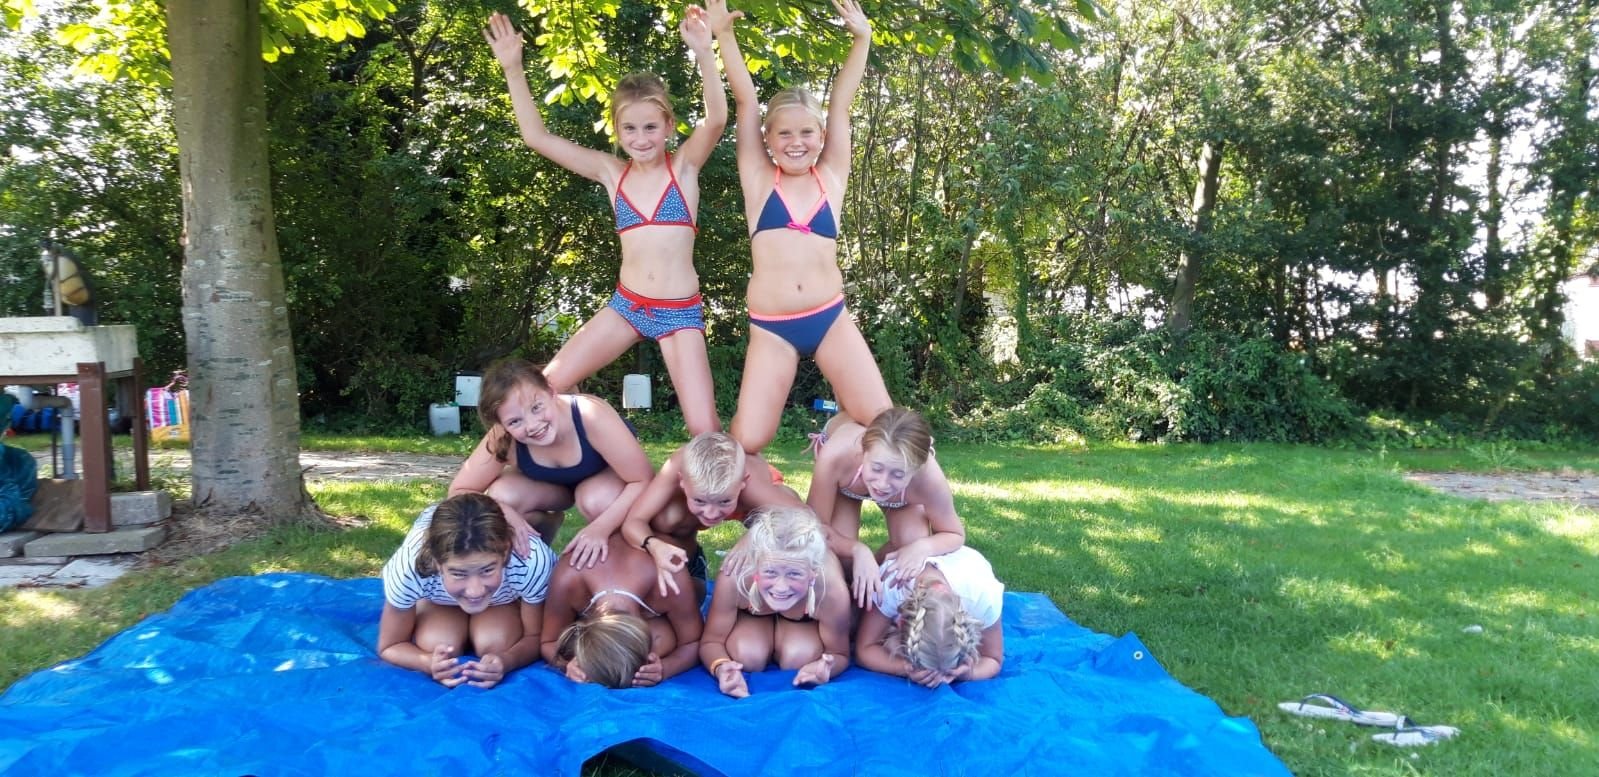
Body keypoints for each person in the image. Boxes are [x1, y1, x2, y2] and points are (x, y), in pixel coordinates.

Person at [485, 5, 727, 437]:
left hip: (679, 313)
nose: (641, 138)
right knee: (543, 391)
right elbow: (536, 137)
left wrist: (705, 53)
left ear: (668, 126)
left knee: (705, 430)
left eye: (650, 127)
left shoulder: (684, 167)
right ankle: (546, 461)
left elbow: (717, 119)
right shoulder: (611, 172)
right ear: (617, 130)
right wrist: (512, 69)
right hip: (627, 306)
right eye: (630, 129)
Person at [707, 0, 892, 457]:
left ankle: (835, 429)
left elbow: (842, 103)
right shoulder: (758, 178)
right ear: (768, 139)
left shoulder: (831, 176)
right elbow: (746, 101)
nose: (796, 142)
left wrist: (863, 38)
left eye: (807, 133)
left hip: (829, 316)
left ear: (821, 136)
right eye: (784, 134)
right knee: (749, 439)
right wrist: (724, 35)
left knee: (883, 422)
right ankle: (731, 477)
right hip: (773, 326)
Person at [449, 358, 653, 568]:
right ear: (502, 424)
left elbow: (643, 479)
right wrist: (505, 511)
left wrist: (600, 528)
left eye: (536, 407)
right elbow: (460, 490)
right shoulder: (503, 438)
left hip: (604, 479)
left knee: (596, 499)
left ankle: (621, 566)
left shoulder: (590, 415)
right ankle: (538, 558)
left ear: (551, 392)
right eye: (515, 421)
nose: (532, 425)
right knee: (502, 496)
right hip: (554, 489)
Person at [377, 493, 555, 689]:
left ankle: (543, 519)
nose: (474, 591)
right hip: (439, 603)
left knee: (496, 643)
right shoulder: (409, 567)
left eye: (487, 570)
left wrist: (507, 660)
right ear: (436, 562)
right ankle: (427, 604)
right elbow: (390, 645)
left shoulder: (531, 560)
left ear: (505, 553)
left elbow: (534, 636)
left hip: (501, 603)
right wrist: (427, 662)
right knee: (436, 643)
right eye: (458, 573)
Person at [807, 407, 965, 607]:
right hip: (845, 484)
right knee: (840, 560)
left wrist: (923, 547)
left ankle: (877, 587)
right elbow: (813, 529)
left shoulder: (928, 479)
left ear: (917, 468)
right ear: (864, 452)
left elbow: (954, 533)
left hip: (901, 498)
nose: (882, 484)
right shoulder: (836, 456)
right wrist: (857, 550)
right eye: (876, 468)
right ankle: (855, 585)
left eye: (898, 474)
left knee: (911, 546)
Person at [620, 430, 801, 599]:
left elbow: (804, 516)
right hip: (698, 502)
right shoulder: (676, 467)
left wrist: (755, 536)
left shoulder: (753, 489)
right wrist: (654, 545)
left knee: (782, 523)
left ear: (742, 483)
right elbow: (633, 521)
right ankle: (692, 564)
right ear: (682, 481)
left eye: (724, 501)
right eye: (700, 501)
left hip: (751, 503)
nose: (711, 513)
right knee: (665, 519)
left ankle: (770, 584)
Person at [698, 504, 852, 698]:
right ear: (755, 568)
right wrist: (721, 667)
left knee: (798, 657)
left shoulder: (830, 591)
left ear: (813, 573)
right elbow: (711, 641)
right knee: (748, 655)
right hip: (752, 616)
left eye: (794, 574)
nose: (781, 587)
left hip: (802, 623)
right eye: (770, 572)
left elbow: (840, 653)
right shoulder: (734, 579)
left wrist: (826, 668)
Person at [541, 533, 705, 688]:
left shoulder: (670, 580)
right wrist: (567, 665)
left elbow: (694, 642)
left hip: (676, 557)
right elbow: (548, 642)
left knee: (664, 639)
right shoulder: (567, 581)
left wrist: (665, 668)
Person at [854, 545, 1005, 687]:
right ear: (901, 622)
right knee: (887, 642)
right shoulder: (892, 582)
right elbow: (864, 649)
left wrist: (969, 673)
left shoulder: (983, 596)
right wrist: (904, 667)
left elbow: (993, 658)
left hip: (965, 563)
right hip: (908, 566)